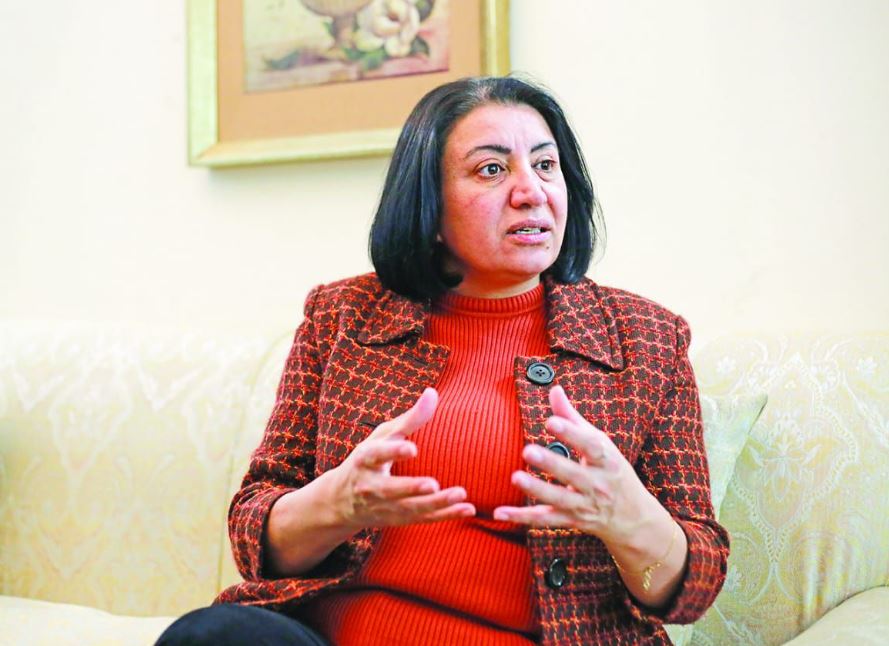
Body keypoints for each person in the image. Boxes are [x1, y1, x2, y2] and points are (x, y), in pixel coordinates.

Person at [157, 76, 729, 645]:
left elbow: (694, 589)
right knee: (212, 636)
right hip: (326, 637)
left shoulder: (646, 340)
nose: (531, 191)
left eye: (545, 165)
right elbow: (255, 534)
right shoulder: (342, 317)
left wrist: (629, 518)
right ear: (428, 205)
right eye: (491, 169)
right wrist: (337, 503)